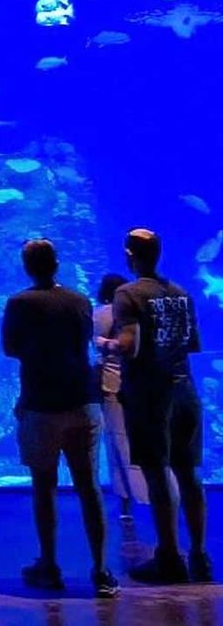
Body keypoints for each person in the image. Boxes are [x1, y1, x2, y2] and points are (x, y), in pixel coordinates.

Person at [2, 239, 118, 598]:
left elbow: (10, 348)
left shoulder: (20, 303)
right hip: (83, 402)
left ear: (27, 267)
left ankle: (49, 565)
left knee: (44, 486)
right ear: (57, 264)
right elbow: (84, 342)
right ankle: (101, 570)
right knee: (88, 486)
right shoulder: (81, 301)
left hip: (40, 403)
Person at [111, 228, 210, 584]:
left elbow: (131, 345)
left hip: (151, 397)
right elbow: (191, 345)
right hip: (185, 391)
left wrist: (107, 344)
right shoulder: (181, 294)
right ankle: (199, 554)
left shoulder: (128, 294)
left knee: (157, 474)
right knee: (189, 474)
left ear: (129, 255)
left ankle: (169, 556)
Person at [93, 273, 148, 517]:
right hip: (141, 384)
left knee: (118, 443)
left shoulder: (102, 313)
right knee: (142, 441)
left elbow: (93, 342)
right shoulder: (142, 312)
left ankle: (129, 501)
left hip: (112, 385)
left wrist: (101, 342)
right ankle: (152, 496)